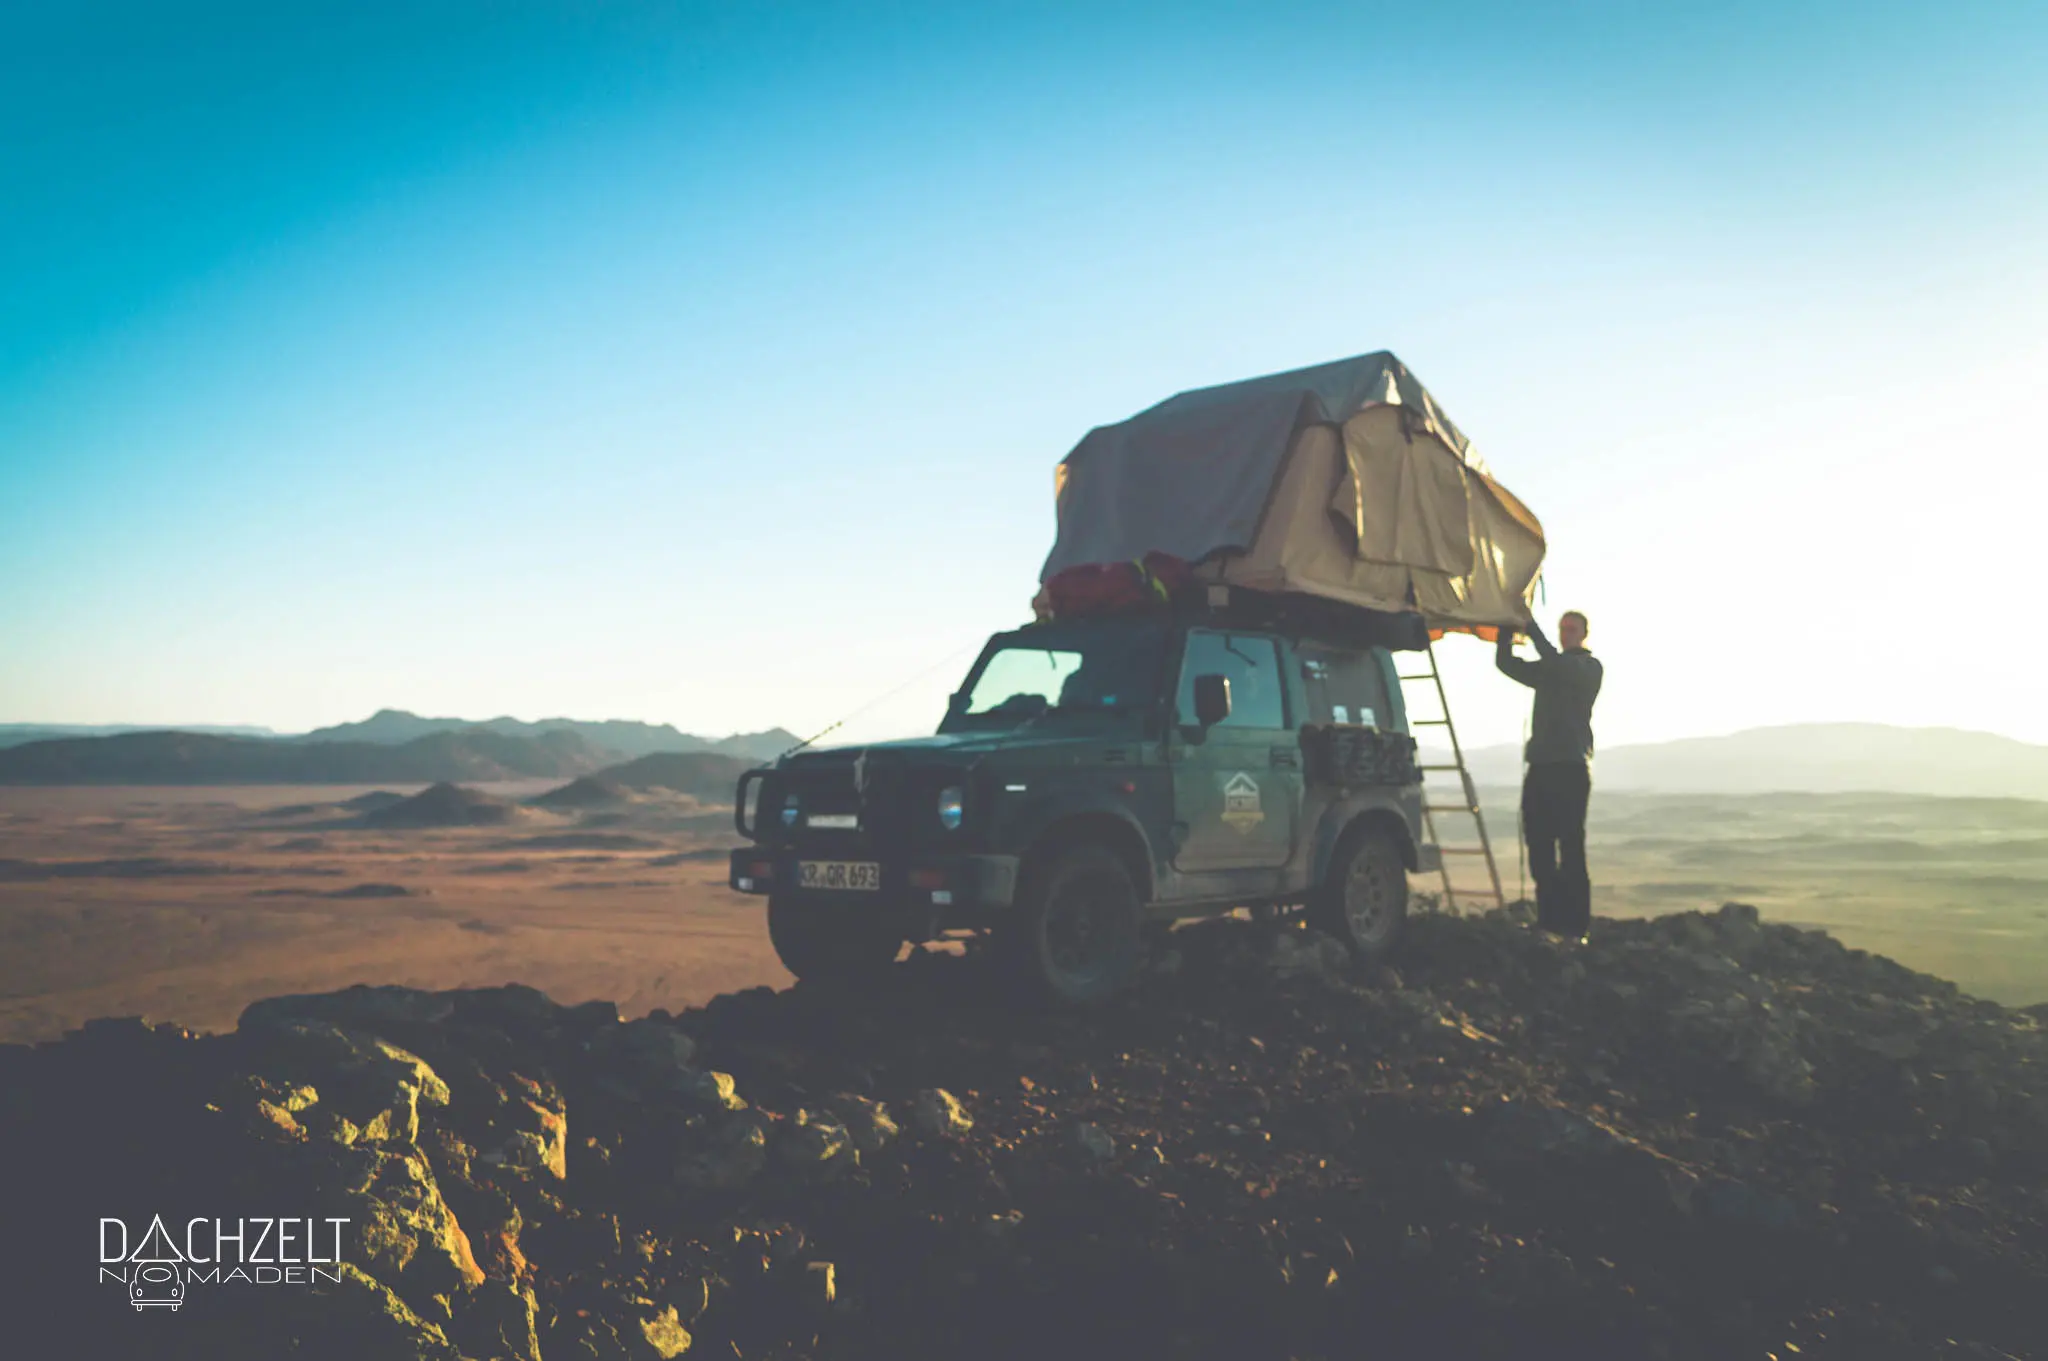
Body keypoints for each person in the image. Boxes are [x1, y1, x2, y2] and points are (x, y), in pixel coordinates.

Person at [1496, 611, 1603, 939]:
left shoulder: (1588, 668)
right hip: (1542, 766)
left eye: (1572, 629)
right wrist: (1505, 633)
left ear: (1585, 634)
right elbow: (1507, 665)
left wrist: (1532, 629)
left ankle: (1575, 926)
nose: (1566, 634)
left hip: (1571, 767)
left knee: (1570, 846)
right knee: (1539, 843)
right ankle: (1549, 920)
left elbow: (1558, 665)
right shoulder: (1551, 668)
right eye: (1563, 629)